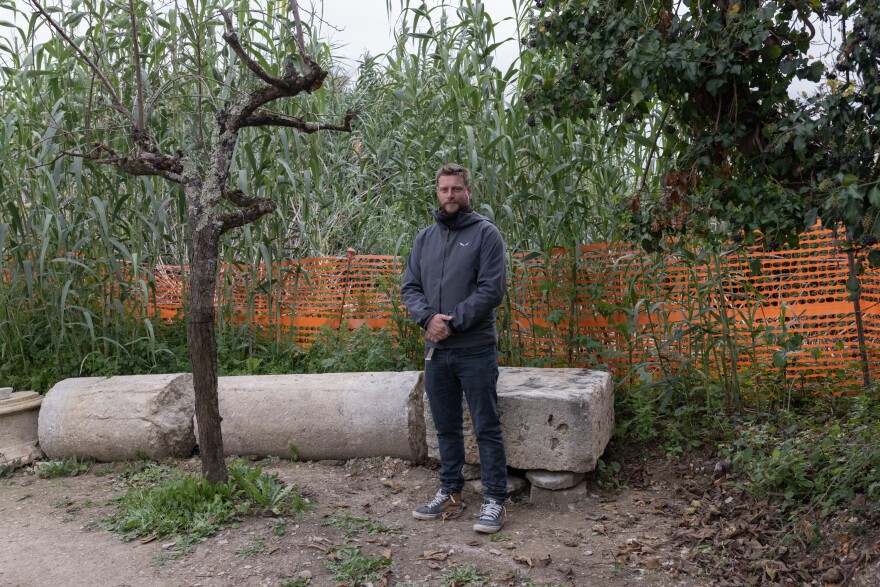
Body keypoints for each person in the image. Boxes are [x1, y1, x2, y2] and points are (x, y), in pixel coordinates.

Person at [401, 163, 509, 534]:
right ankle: (450, 492)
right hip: (436, 350)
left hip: (475, 348)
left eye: (456, 189)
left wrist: (452, 322)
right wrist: (427, 318)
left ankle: (495, 499)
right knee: (445, 426)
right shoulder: (424, 239)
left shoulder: (486, 234)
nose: (450, 196)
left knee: (486, 426)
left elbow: (491, 290)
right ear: (437, 192)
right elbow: (410, 288)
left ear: (469, 191)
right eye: (444, 189)